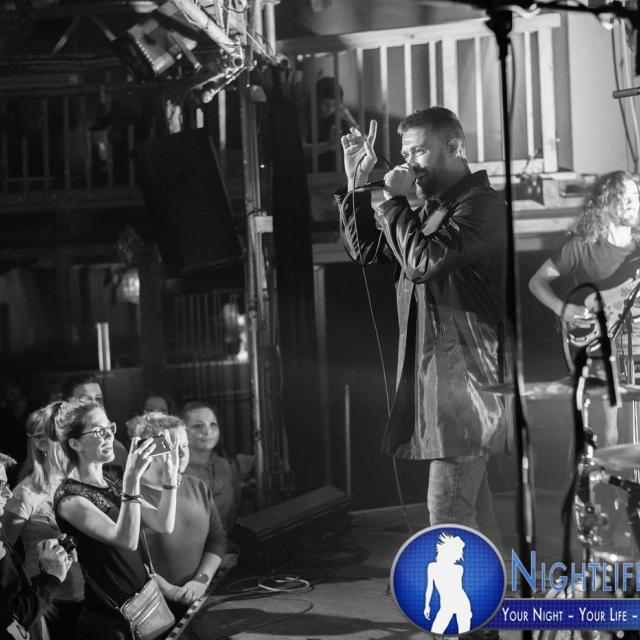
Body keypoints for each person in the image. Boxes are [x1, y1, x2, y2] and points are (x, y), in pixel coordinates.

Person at [336, 107, 510, 546]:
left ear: (454, 146)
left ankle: (472, 594)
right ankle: (501, 587)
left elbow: (423, 262)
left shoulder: (482, 206)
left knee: (447, 513)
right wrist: (358, 182)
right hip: (441, 382)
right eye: (405, 154)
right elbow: (365, 250)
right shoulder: (431, 211)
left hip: (467, 387)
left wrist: (394, 202)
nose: (410, 163)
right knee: (472, 512)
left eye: (419, 151)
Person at [529, 170, 640, 447]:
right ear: (606, 201)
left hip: (636, 343)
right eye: (624, 197)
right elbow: (537, 281)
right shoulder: (582, 246)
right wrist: (562, 309)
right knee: (608, 431)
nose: (633, 203)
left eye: (636, 196)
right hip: (599, 345)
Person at [53, 399, 179, 640]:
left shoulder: (111, 481)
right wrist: (131, 480)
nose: (109, 436)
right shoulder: (69, 498)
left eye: (109, 428)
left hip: (143, 605)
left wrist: (170, 479)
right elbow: (126, 540)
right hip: (108, 621)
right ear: (75, 443)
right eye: (98, 431)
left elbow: (163, 523)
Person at [127, 412, 227, 615]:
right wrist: (169, 590)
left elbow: (217, 538)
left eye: (184, 445)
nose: (181, 453)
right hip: (152, 607)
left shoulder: (197, 486)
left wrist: (201, 580)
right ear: (148, 450)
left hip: (198, 598)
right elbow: (130, 560)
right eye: (172, 446)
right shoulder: (130, 494)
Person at [2, 404, 84, 639]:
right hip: (49, 602)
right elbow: (7, 554)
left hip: (85, 594)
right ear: (40, 443)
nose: (73, 441)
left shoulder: (80, 480)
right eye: (64, 435)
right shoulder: (25, 493)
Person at [0, 451, 73, 640]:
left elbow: (10, 592)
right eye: (0, 485)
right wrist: (50, 578)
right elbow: (12, 620)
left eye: (6, 485)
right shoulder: (25, 493)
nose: (8, 493)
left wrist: (48, 568)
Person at [181, 402, 239, 534]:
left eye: (213, 424)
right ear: (182, 431)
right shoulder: (177, 470)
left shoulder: (224, 466)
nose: (207, 431)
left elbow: (231, 515)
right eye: (198, 426)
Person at [62, 374, 128, 475]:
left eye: (98, 399)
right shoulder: (56, 454)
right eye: (85, 400)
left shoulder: (118, 451)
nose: (94, 405)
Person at [424, 533, 471, 634]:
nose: (460, 555)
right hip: (447, 604)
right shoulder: (432, 567)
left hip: (461, 603)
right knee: (436, 632)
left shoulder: (458, 569)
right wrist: (427, 605)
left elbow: (458, 589)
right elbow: (429, 587)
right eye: (459, 552)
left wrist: (427, 606)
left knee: (464, 634)